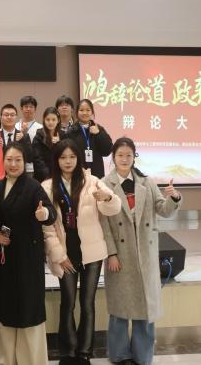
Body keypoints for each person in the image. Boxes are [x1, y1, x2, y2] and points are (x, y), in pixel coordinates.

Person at [101, 137, 182, 365]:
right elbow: (104, 223)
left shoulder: (147, 182)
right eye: (120, 155)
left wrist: (174, 198)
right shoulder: (105, 184)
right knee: (119, 309)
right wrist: (111, 253)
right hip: (121, 256)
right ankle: (119, 355)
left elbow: (163, 210)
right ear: (113, 157)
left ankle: (142, 356)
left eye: (129, 155)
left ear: (134, 157)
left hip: (145, 254)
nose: (124, 159)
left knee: (146, 309)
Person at [42, 140, 120, 365]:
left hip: (92, 253)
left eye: (72, 157)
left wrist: (107, 198)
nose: (68, 161)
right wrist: (59, 255)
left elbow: (113, 208)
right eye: (63, 157)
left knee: (87, 303)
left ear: (78, 159)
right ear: (56, 160)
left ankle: (84, 352)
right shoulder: (48, 186)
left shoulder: (92, 181)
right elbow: (47, 227)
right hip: (65, 254)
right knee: (68, 303)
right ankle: (67, 352)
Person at [0, 142, 56, 365]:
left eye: (18, 160)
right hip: (4, 258)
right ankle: (5, 358)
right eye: (9, 159)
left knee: (29, 309)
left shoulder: (33, 186)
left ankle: (31, 360)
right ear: (3, 161)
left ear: (25, 162)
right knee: (5, 309)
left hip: (28, 258)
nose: (13, 164)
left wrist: (43, 214)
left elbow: (51, 212)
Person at [66, 99, 113, 178]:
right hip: (77, 173)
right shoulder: (71, 131)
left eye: (88, 110)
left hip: (97, 173)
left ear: (92, 112)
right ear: (77, 112)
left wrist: (98, 134)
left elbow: (107, 151)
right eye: (81, 110)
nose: (85, 113)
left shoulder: (99, 129)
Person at [32, 107, 63, 182]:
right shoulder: (39, 136)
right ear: (44, 120)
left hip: (61, 175)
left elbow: (65, 155)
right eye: (48, 119)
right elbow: (37, 159)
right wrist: (48, 176)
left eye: (53, 120)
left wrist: (60, 143)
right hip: (42, 177)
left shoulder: (63, 135)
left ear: (58, 120)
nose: (50, 122)